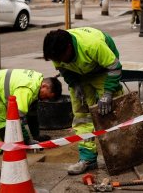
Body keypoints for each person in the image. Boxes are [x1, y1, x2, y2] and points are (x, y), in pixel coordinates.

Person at [42, 28, 124, 175]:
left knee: (112, 113)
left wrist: (108, 93)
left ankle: (122, 156)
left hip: (104, 71)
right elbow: (63, 69)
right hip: (79, 76)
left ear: (69, 47)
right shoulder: (57, 52)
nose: (59, 61)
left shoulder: (92, 45)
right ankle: (88, 159)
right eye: (56, 59)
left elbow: (115, 67)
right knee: (82, 117)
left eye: (61, 58)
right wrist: (74, 83)